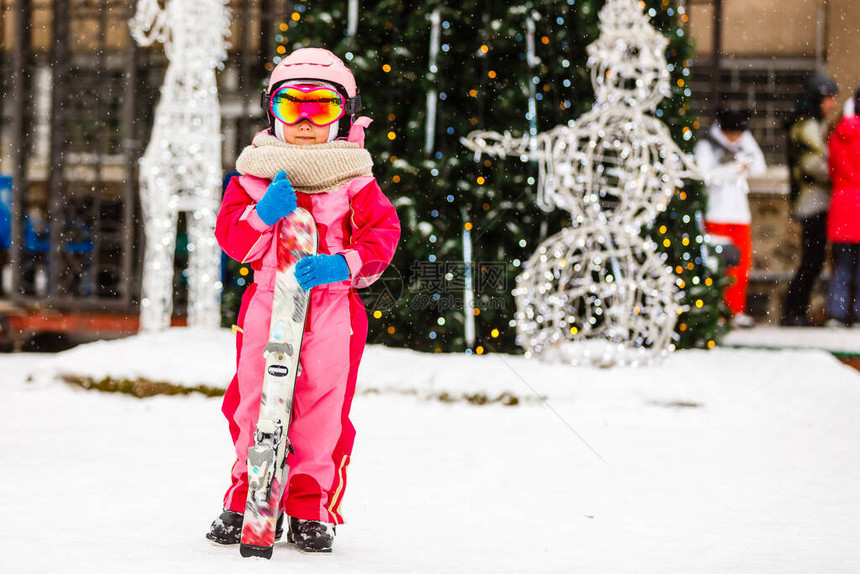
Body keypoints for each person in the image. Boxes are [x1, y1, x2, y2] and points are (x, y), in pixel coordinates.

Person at [206, 48, 400, 553]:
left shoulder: (355, 176)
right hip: (270, 299)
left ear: (346, 115)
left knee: (323, 406)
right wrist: (261, 214)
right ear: (273, 112)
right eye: (294, 108)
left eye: (323, 108)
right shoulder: (254, 173)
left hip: (332, 306)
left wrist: (346, 264)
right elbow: (233, 241)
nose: (308, 123)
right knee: (254, 401)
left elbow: (382, 235)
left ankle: (311, 507)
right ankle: (247, 495)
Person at [694, 107, 767, 328]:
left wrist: (738, 168)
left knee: (741, 266)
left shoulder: (745, 141)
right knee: (718, 265)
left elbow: (759, 168)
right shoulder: (707, 145)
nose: (735, 138)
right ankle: (718, 311)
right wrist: (734, 168)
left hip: (740, 215)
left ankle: (736, 310)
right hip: (716, 213)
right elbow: (704, 174)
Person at [781, 73, 840, 326]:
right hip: (812, 201)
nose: (833, 103)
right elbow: (815, 165)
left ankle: (795, 311)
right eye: (829, 98)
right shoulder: (807, 126)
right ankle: (794, 312)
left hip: (811, 200)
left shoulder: (810, 124)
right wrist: (841, 170)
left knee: (812, 260)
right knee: (812, 260)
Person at [825, 87, 860, 327]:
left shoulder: (839, 135)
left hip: (842, 204)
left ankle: (836, 312)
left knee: (843, 265)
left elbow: (831, 169)